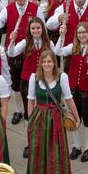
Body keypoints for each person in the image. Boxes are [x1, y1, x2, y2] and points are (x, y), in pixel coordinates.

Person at [26, 50, 80, 174]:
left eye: (49, 61)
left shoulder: (62, 77)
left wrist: (76, 117)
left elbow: (69, 99)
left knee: (55, 151)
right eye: (44, 62)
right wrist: (31, 120)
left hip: (56, 117)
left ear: (54, 63)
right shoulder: (34, 78)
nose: (46, 64)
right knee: (40, 150)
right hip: (39, 117)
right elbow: (30, 101)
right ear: (40, 64)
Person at [0, 0, 43, 125]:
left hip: (30, 51)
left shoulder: (35, 8)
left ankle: (34, 106)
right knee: (15, 82)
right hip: (13, 51)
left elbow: (42, 26)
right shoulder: (8, 9)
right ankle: (19, 110)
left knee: (31, 80)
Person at [54, 22, 88, 163]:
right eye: (79, 33)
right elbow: (57, 51)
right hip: (73, 89)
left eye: (84, 32)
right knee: (75, 118)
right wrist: (61, 36)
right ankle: (76, 146)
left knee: (87, 119)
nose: (81, 35)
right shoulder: (73, 47)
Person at [7, 17, 52, 158]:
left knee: (44, 111)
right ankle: (29, 142)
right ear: (30, 30)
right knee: (29, 112)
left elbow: (59, 52)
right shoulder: (25, 42)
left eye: (38, 28)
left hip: (44, 81)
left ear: (42, 29)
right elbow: (11, 53)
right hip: (27, 81)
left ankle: (43, 142)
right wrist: (12, 41)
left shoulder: (48, 43)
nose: (36, 30)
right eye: (33, 28)